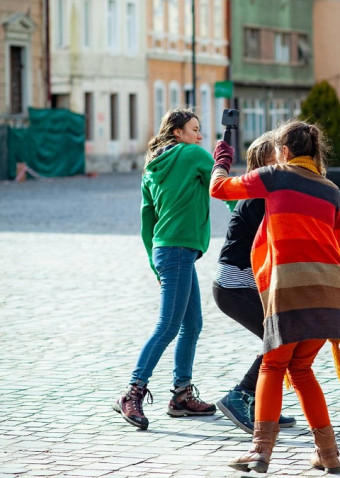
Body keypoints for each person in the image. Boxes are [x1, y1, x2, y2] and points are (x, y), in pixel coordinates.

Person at [210, 121, 340, 474]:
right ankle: (328, 455)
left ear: (285, 151)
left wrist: (222, 157)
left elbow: (219, 189)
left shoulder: (276, 175)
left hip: (290, 290)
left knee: (273, 365)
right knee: (302, 369)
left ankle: (260, 452)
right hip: (331, 292)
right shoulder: (331, 190)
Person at [113, 108, 217, 431]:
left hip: (167, 250)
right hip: (178, 250)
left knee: (193, 324)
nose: (200, 136)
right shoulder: (194, 155)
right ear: (178, 133)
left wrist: (154, 263)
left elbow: (147, 223)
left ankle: (182, 395)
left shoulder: (150, 168)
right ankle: (131, 393)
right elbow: (222, 182)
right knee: (169, 325)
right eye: (195, 129)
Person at [212, 132, 297, 433]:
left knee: (281, 338)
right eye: (278, 160)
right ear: (264, 164)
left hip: (241, 285)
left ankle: (263, 405)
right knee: (280, 338)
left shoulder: (262, 195)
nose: (284, 165)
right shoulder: (260, 198)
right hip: (234, 286)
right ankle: (240, 396)